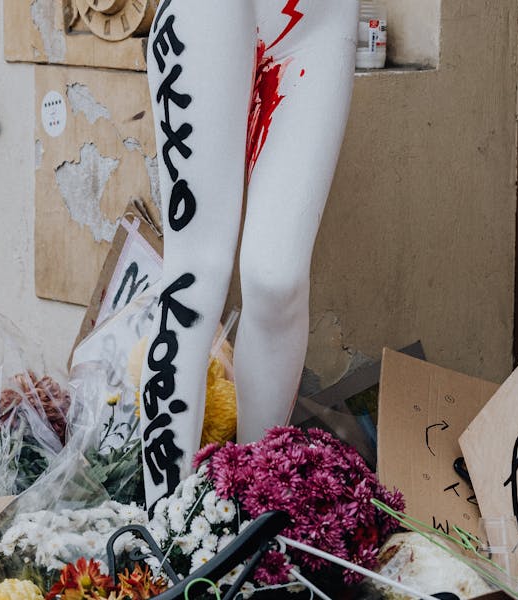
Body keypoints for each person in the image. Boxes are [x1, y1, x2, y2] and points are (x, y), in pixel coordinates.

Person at [141, 0, 359, 506]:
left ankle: (250, 512)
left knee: (277, 278)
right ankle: (161, 531)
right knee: (196, 276)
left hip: (319, 19)